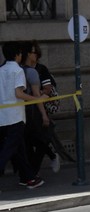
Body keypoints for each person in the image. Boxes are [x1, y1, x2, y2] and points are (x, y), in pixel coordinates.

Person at [0, 41, 44, 189]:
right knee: (9, 150)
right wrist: (37, 99)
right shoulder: (18, 71)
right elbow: (19, 93)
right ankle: (29, 178)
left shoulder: (0, 70)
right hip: (15, 117)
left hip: (2, 117)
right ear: (18, 55)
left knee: (19, 150)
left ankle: (29, 178)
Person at [21, 40, 59, 177]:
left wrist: (38, 96)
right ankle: (31, 173)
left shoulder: (40, 69)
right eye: (32, 52)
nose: (35, 54)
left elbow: (48, 88)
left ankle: (33, 172)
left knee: (41, 139)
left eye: (36, 52)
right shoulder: (20, 69)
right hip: (25, 111)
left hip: (38, 109)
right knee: (29, 141)